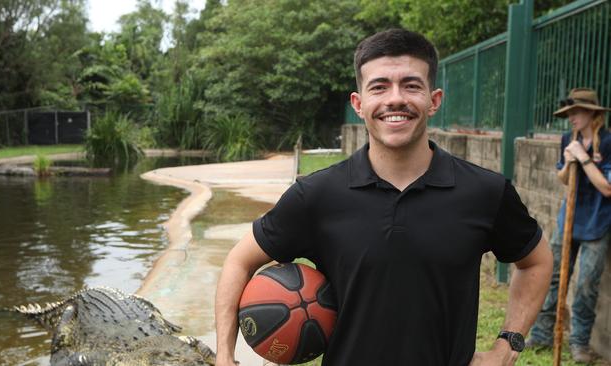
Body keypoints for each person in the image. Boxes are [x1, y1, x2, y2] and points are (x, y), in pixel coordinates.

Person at [215, 28, 553, 366]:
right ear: (359, 104)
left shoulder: (484, 192)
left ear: (433, 100)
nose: (395, 99)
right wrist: (226, 356)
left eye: (410, 85)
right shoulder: (317, 196)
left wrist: (507, 345)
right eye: (379, 87)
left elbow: (536, 260)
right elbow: (239, 261)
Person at [527, 88, 611, 363]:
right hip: (569, 220)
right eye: (569, 113)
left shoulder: (608, 142)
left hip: (597, 224)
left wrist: (584, 158)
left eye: (575, 112)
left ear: (592, 113)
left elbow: (607, 188)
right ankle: (542, 334)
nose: (571, 118)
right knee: (553, 278)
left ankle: (579, 342)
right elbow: (563, 177)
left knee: (586, 284)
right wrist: (570, 159)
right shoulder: (568, 138)